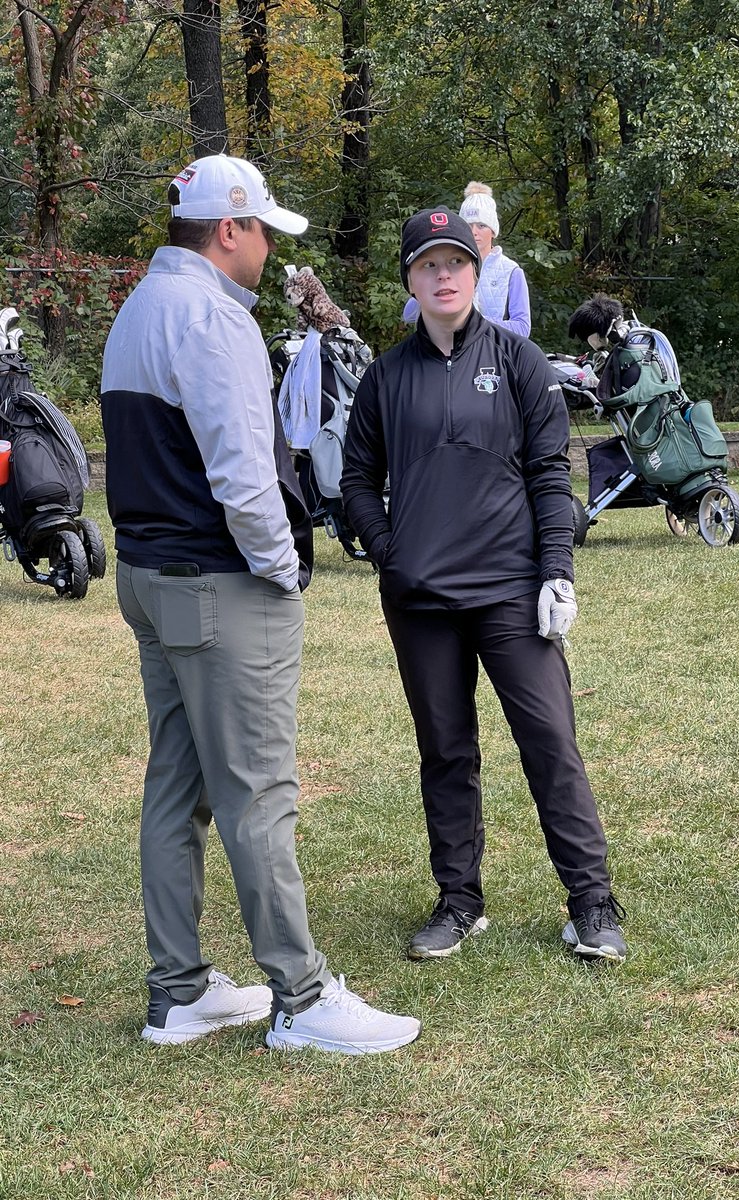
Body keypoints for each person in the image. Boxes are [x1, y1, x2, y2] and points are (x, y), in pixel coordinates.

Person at [100, 154, 420, 1054]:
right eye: (264, 233)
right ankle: (301, 997)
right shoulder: (213, 318)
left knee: (179, 783)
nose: (272, 252)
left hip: (151, 579)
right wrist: (283, 570)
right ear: (228, 229)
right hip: (219, 584)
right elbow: (244, 476)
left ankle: (179, 991)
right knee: (257, 793)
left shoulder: (140, 307)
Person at [341, 207, 626, 963]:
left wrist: (556, 572)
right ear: (410, 278)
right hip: (420, 597)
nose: (444, 275)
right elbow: (357, 480)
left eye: (456, 262)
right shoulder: (386, 375)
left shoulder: (520, 359)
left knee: (550, 743)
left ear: (478, 270)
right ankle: (459, 899)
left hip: (510, 589)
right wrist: (387, 550)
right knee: (446, 750)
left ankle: (592, 904)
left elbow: (548, 472)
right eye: (429, 264)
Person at [402, 182, 531, 337]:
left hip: (495, 354)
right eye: (469, 226)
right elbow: (408, 315)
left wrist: (472, 321)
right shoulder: (447, 268)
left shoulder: (511, 271)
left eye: (482, 225)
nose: (474, 232)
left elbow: (523, 328)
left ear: (493, 231)